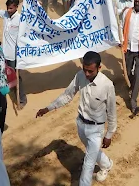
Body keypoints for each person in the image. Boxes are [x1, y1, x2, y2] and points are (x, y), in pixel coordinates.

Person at [36, 52, 117, 186]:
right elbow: (67, 95)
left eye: (90, 71)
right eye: (85, 70)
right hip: (81, 125)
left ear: (99, 68)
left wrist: (109, 134)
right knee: (91, 151)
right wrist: (48, 108)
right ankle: (107, 164)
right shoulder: (80, 76)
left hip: (96, 129)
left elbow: (112, 112)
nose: (87, 74)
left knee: (88, 163)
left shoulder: (107, 85)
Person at [0, 0, 26, 109]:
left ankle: (22, 99)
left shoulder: (20, 19)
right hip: (4, 53)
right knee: (4, 73)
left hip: (14, 54)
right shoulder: (5, 15)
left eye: (11, 8)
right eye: (8, 8)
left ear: (16, 7)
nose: (9, 10)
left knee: (16, 76)